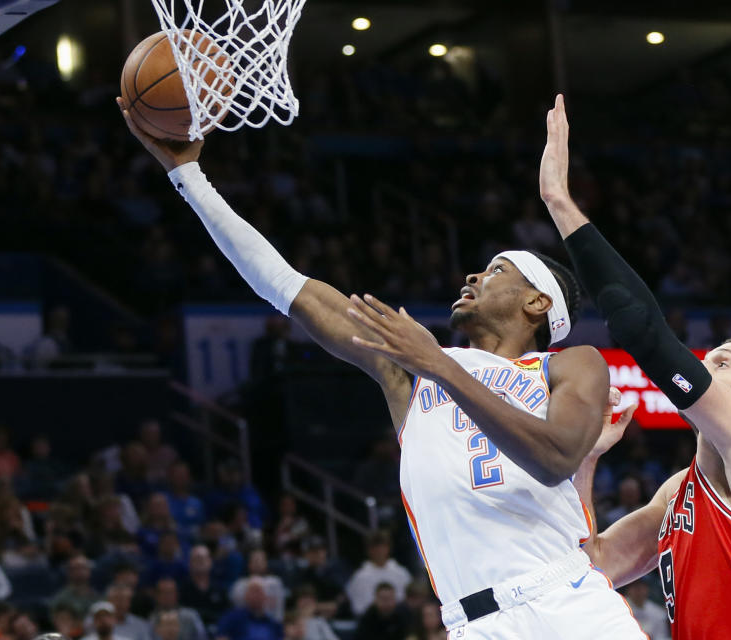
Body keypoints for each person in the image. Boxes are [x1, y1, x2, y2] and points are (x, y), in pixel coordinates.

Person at [118, 97, 646, 639]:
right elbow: (284, 284)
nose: (473, 277)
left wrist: (439, 366)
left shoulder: (569, 364)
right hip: (472, 623)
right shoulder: (412, 368)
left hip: (563, 603)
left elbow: (556, 456)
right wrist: (189, 177)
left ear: (537, 304)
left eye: (496, 270)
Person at [540, 94, 731, 638]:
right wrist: (586, 459)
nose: (705, 370)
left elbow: (642, 330)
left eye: (722, 363)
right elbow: (594, 567)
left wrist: (560, 203)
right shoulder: (675, 493)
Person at [344, 531, 411, 617]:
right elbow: (358, 608)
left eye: (383, 546)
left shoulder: (401, 573)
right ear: (369, 550)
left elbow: (407, 602)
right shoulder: (360, 577)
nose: (379, 551)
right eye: (375, 547)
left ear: (388, 548)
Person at [229, 549, 287, 621]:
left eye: (261, 561)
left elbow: (279, 609)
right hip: (247, 625)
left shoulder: (276, 583)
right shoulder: (239, 585)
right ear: (249, 564)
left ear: (266, 563)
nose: (258, 564)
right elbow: (237, 609)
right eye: (255, 561)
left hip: (270, 624)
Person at [216, 578, 283, 640]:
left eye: (258, 592)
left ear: (265, 596)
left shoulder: (273, 623)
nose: (255, 596)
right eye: (252, 592)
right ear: (245, 596)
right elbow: (221, 637)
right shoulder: (231, 618)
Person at [179, 545, 228, 626]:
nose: (200, 561)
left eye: (203, 558)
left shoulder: (220, 588)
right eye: (197, 559)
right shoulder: (183, 588)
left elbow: (226, 614)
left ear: (210, 562)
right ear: (190, 563)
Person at [50, 554, 100, 618]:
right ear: (69, 572)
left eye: (83, 567)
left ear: (89, 570)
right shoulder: (60, 599)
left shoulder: (97, 596)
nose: (80, 572)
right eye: (76, 568)